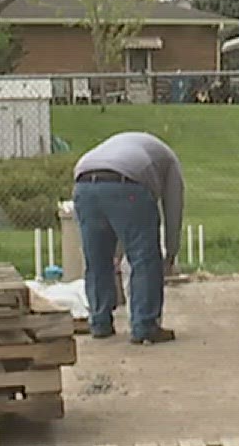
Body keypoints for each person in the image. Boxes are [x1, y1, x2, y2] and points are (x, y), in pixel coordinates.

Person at [72, 131, 184, 344]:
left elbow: (115, 221)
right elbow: (173, 209)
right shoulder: (169, 161)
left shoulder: (121, 145)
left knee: (96, 260)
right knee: (145, 259)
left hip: (84, 183)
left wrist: (116, 254)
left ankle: (99, 322)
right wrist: (171, 253)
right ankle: (145, 326)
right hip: (128, 185)